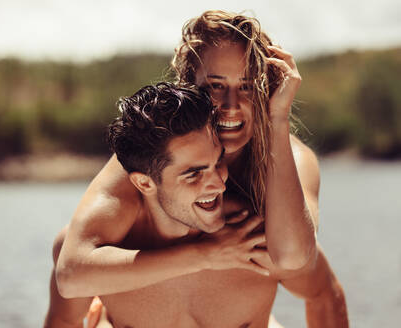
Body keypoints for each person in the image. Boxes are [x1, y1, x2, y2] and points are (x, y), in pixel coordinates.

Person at [45, 10, 348, 328]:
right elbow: (72, 271)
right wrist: (205, 253)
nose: (231, 104)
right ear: (188, 87)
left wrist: (279, 117)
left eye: (246, 86)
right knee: (66, 242)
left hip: (245, 294)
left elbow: (296, 259)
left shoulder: (291, 162)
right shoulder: (149, 159)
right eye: (216, 86)